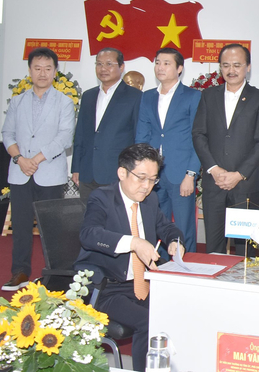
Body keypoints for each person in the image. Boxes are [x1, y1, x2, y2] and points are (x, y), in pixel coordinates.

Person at [74, 144, 184, 372]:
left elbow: (167, 227)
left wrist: (175, 241)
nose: (146, 186)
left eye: (153, 179)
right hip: (107, 288)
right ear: (122, 173)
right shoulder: (102, 198)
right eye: (141, 178)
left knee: (177, 312)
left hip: (143, 283)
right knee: (150, 322)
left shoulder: (150, 200)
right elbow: (88, 234)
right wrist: (133, 243)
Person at [0, 47, 76, 291]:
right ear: (30, 70)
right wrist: (21, 158)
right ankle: (19, 272)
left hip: (49, 174)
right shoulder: (17, 100)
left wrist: (37, 159)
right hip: (20, 172)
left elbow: (65, 137)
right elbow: (7, 133)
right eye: (37, 68)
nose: (42, 73)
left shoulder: (64, 102)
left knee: (52, 228)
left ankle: (54, 275)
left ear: (55, 72)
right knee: (21, 227)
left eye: (48, 68)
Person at [192, 44, 259, 254]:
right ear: (220, 67)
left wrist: (239, 174)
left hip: (245, 185)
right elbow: (198, 134)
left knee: (247, 250)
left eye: (237, 65)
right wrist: (214, 169)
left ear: (248, 67)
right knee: (214, 248)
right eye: (226, 65)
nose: (231, 70)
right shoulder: (208, 96)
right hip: (214, 183)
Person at [135, 48, 202, 252]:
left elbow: (198, 139)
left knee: (183, 229)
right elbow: (142, 135)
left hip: (181, 174)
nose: (160, 67)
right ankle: (161, 273)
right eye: (157, 63)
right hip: (153, 175)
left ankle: (187, 274)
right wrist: (141, 171)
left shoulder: (192, 96)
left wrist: (191, 174)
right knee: (156, 228)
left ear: (179, 68)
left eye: (166, 63)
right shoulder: (147, 97)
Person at [72, 47, 142, 203]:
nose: (103, 69)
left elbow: (138, 136)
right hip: (87, 172)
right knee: (89, 221)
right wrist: (76, 167)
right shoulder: (88, 96)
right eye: (99, 64)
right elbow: (80, 134)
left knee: (115, 222)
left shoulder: (135, 96)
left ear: (121, 67)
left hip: (117, 172)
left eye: (109, 64)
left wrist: (134, 169)